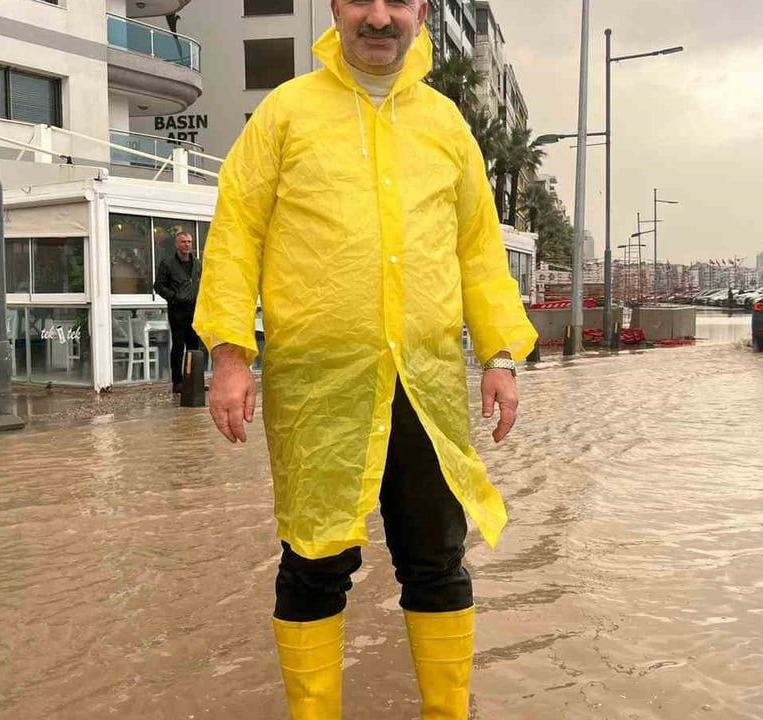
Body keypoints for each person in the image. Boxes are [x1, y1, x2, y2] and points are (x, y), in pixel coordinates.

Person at [193, 1, 537, 717]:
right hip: (321, 389)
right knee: (314, 564)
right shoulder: (286, 114)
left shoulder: (446, 124)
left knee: (437, 562)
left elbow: (478, 247)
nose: (378, 18)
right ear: (335, 9)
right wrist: (230, 356)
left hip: (427, 385)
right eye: (360, 0)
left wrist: (500, 353)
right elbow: (236, 232)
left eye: (398, 2)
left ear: (420, 12)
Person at [155, 230, 202, 393]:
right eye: (183, 242)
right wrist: (173, 297)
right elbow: (159, 285)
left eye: (189, 242)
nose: (187, 245)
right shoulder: (167, 263)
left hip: (193, 309)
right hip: (177, 310)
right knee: (178, 346)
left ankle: (194, 381)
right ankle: (177, 382)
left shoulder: (196, 263)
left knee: (194, 346)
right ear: (176, 244)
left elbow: (201, 282)